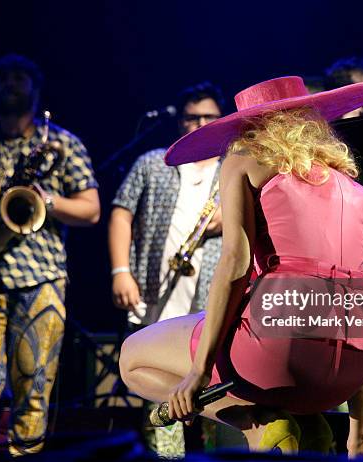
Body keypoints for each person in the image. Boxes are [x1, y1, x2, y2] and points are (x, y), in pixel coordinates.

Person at [119, 75, 363, 457]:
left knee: (132, 357)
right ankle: (310, 425)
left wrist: (199, 371)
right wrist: (358, 437)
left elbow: (235, 262)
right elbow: (357, 298)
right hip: (350, 371)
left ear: (252, 125)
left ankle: (258, 424)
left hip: (279, 351)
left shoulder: (245, 160)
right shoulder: (358, 191)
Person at [0, 54, 100, 455]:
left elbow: (92, 209)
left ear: (34, 86)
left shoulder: (62, 143)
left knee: (35, 381)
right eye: (3, 78)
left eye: (19, 78)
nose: (11, 84)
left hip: (41, 277)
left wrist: (48, 200)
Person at [109, 82, 224, 456]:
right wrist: (120, 271)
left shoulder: (236, 168)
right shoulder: (153, 162)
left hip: (212, 303)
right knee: (162, 400)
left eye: (208, 117)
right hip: (156, 297)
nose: (200, 124)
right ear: (180, 122)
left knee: (212, 394)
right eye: (192, 118)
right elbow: (121, 212)